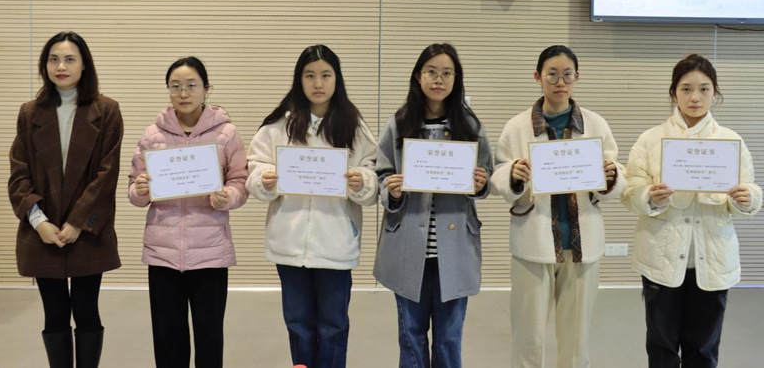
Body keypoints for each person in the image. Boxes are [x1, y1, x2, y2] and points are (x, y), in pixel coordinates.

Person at [622, 54, 761, 368]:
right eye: (686, 89)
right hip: (660, 257)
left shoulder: (730, 141)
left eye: (704, 89)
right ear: (674, 92)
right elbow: (630, 192)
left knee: (704, 349)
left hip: (713, 259)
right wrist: (649, 196)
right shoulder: (650, 139)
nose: (695, 97)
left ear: (715, 93)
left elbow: (749, 190)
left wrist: (747, 197)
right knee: (662, 346)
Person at [491, 44, 624, 368]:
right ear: (538, 77)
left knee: (576, 341)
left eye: (567, 74)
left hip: (581, 246)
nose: (560, 82)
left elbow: (617, 173)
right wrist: (513, 174)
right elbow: (498, 176)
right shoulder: (517, 126)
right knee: (528, 337)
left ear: (577, 77)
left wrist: (611, 176)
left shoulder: (595, 124)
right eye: (552, 74)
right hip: (532, 244)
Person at [246, 44, 377, 368]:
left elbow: (373, 174)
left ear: (337, 79)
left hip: (336, 244)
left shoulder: (353, 126)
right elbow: (255, 166)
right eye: (309, 75)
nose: (318, 83)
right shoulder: (279, 125)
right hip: (289, 244)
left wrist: (362, 182)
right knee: (299, 325)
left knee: (333, 326)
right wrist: (264, 180)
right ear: (299, 79)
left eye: (325, 75)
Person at [374, 43, 492, 368]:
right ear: (418, 76)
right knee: (410, 334)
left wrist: (480, 184)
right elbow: (381, 173)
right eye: (431, 72)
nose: (439, 80)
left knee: (449, 337)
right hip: (407, 244)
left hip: (454, 247)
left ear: (456, 79)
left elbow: (487, 174)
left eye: (446, 73)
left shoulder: (470, 126)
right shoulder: (398, 124)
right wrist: (391, 190)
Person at [8, 31, 123, 368]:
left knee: (87, 310)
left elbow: (107, 175)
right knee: (54, 313)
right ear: (45, 66)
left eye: (70, 59)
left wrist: (77, 222)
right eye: (54, 59)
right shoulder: (30, 113)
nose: (61, 66)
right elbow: (19, 173)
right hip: (42, 231)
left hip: (88, 231)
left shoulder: (106, 110)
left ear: (84, 65)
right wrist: (39, 222)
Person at [128, 57, 248, 368]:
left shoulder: (226, 134)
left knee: (209, 335)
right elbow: (135, 190)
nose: (183, 93)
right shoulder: (152, 135)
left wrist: (228, 197)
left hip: (210, 252)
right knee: (168, 336)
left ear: (206, 89)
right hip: (163, 253)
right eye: (175, 86)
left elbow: (240, 180)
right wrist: (140, 190)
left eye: (192, 85)